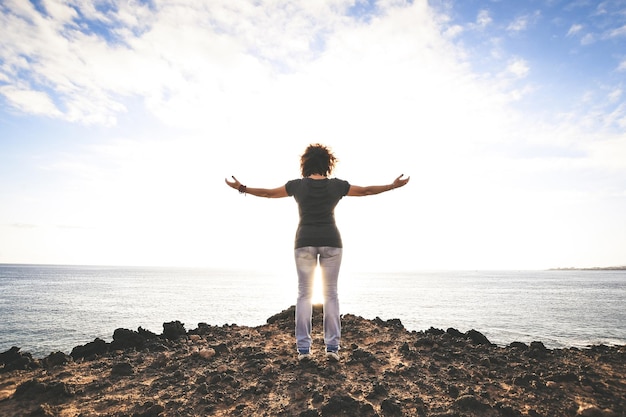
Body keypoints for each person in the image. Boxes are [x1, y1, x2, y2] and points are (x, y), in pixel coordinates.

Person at [225, 144, 409, 361]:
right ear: (328, 164)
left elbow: (267, 193)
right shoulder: (337, 186)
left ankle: (304, 351)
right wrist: (392, 186)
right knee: (331, 294)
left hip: (304, 242)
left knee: (305, 295)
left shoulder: (297, 186)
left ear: (305, 163)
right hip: (332, 242)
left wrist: (242, 188)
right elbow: (367, 191)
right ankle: (332, 349)